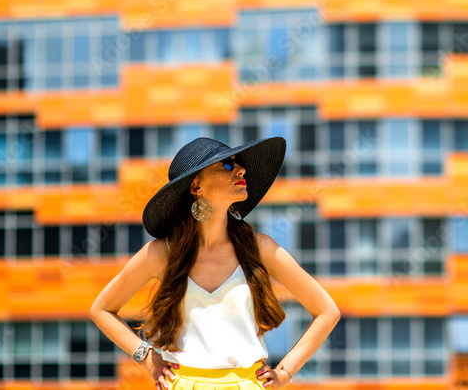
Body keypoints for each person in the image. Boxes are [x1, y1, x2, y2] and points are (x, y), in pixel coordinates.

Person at [90, 136, 341, 389]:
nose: (241, 169)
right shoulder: (162, 253)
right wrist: (147, 357)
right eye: (227, 165)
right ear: (196, 186)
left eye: (238, 164)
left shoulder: (259, 248)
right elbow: (101, 309)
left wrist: (284, 373)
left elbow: (327, 311)